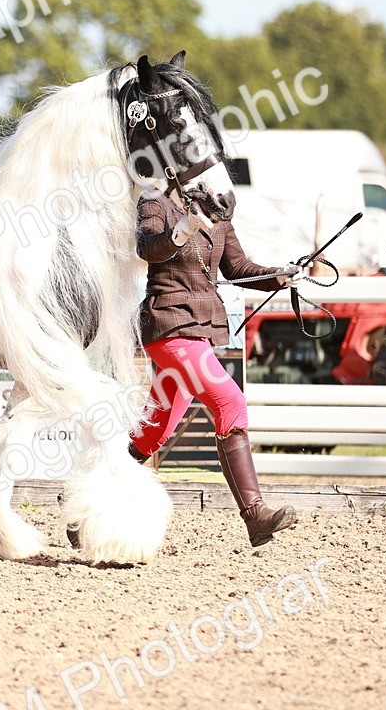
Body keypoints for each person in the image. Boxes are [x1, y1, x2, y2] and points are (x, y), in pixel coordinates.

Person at [130, 189, 300, 546]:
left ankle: (86, 509)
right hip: (169, 326)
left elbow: (238, 268)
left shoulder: (220, 210)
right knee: (230, 401)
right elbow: (149, 249)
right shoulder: (155, 203)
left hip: (200, 330)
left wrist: (279, 276)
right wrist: (183, 229)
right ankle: (255, 514)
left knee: (153, 432)